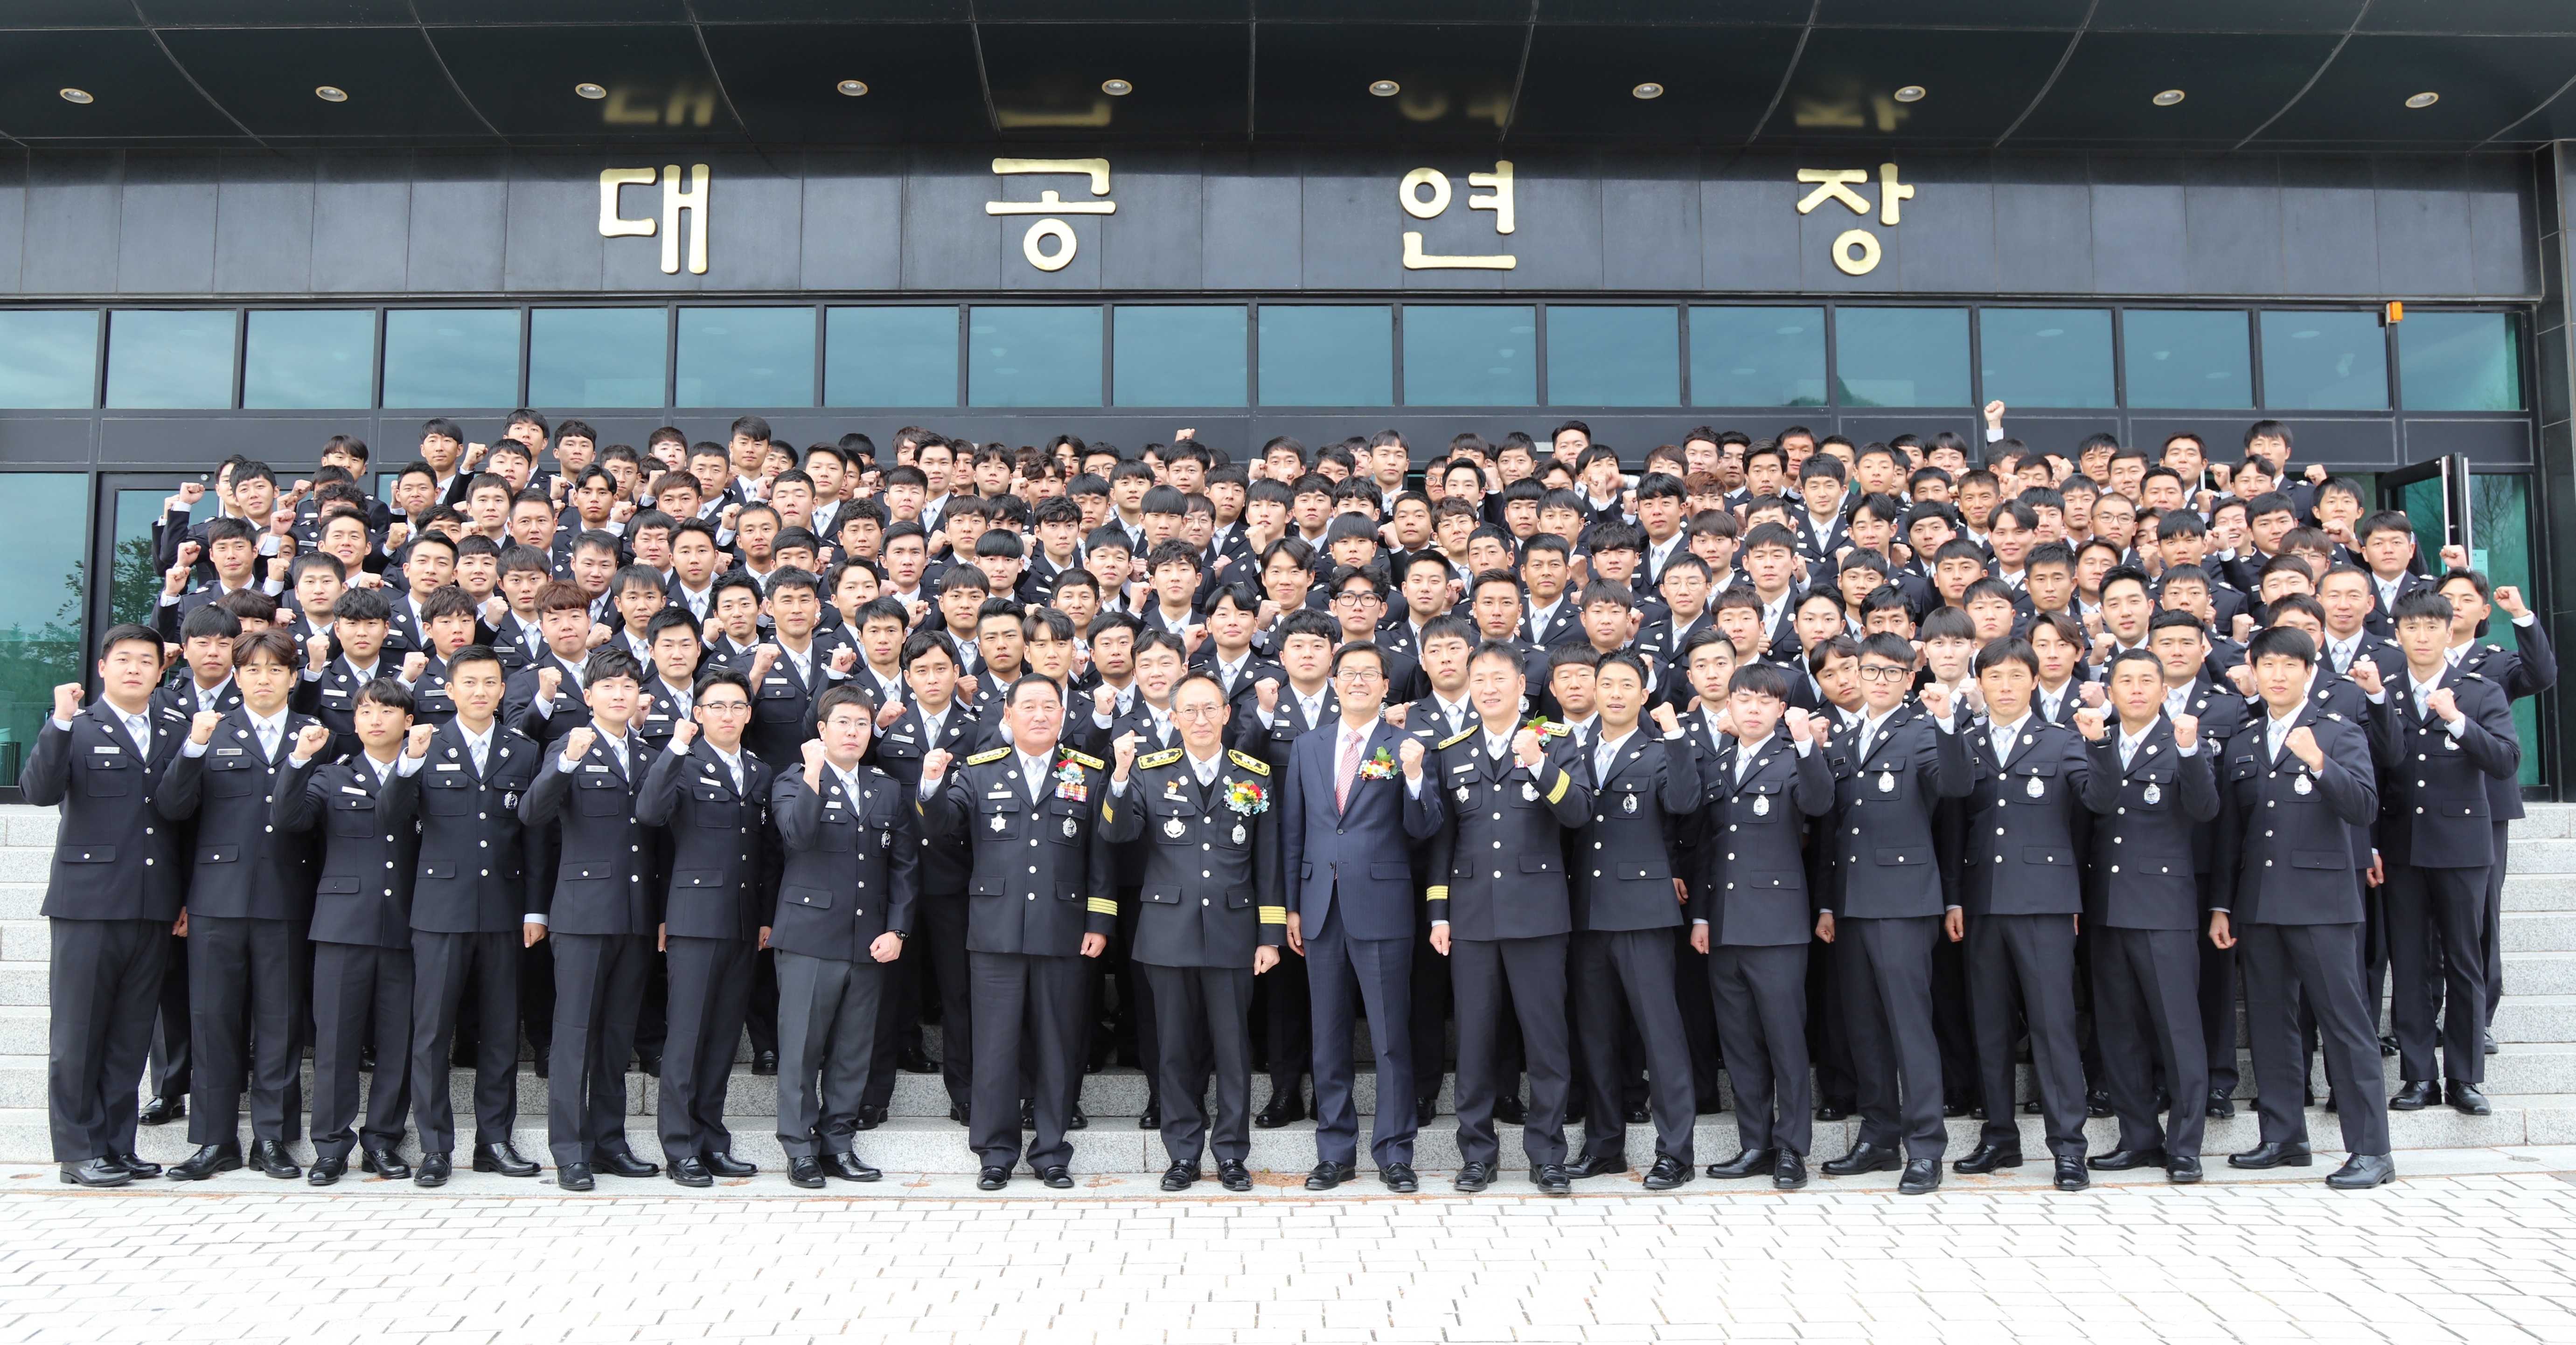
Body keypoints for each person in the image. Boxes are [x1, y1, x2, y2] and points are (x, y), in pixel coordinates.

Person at [2211, 626, 2392, 1188]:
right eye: (2267, 664)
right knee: (2270, 1023)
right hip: (2260, 904)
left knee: (2344, 1025)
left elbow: (2363, 808)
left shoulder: (2336, 733)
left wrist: (2318, 763)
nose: (2278, 674)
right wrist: (2221, 905)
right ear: (2253, 670)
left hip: (2321, 904)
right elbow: (2231, 835)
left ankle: (2371, 1150)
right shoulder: (2243, 742)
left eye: (2290, 664)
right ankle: (2283, 1136)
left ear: (2309, 672)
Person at [918, 677, 1115, 1191]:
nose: (1039, 714)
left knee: (1058, 1045)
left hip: (1063, 929)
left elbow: (1101, 855)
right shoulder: (979, 771)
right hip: (995, 931)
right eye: (1028, 706)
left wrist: (1099, 921)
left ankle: (1051, 1151)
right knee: (995, 1048)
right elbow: (942, 826)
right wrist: (931, 785)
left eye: (1049, 705)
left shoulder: (1088, 772)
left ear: (1063, 714)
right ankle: (995, 1152)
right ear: (1008, 714)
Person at [1096, 672, 1284, 1192]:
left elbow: (1268, 860)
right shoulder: (1148, 771)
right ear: (1174, 718)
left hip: (1233, 930)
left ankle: (1231, 1154)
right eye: (1190, 711)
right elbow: (1116, 832)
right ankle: (1182, 1154)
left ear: (1227, 714)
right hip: (1168, 932)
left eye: (1210, 709)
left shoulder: (1254, 773)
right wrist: (1119, 774)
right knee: (1174, 1049)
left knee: (1233, 1051)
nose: (1200, 719)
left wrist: (1269, 935)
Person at [24, 625, 192, 1187]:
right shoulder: (76, 726)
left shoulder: (175, 728)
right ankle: (78, 1151)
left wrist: (183, 895)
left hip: (152, 902)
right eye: (123, 659)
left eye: (146, 660)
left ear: (161, 672)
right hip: (89, 904)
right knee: (79, 1033)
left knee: (129, 1034)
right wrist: (59, 720)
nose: (134, 668)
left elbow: (180, 818)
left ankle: (117, 1146)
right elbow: (39, 791)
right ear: (102, 668)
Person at [157, 628, 326, 1181]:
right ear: (237, 675)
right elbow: (174, 809)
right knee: (213, 1020)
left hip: (288, 896)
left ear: (293, 677)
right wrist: (193, 748)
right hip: (216, 898)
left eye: (276, 669)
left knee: (280, 1022)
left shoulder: (316, 734)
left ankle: (272, 1138)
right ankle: (215, 1139)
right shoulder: (211, 730)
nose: (263, 679)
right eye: (252, 669)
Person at [1424, 642, 1592, 1195]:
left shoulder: (1554, 740)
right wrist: (1439, 914)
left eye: (1500, 678)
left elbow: (1578, 812)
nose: (1489, 687)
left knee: (1545, 1041)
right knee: (1473, 1043)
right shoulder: (1453, 750)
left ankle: (1547, 1154)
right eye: (1479, 679)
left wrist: (1538, 762)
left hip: (1537, 917)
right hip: (1471, 919)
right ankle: (1477, 1153)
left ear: (1522, 686)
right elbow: (1443, 841)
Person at [1280, 639, 1441, 1192]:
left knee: (1390, 1038)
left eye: (1368, 674)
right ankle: (1335, 1152)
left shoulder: (1405, 746)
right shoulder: (1308, 745)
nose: (1356, 681)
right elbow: (1294, 831)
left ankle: (1395, 1153)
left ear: (1385, 686)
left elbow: (1425, 828)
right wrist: (1292, 906)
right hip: (1319, 909)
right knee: (1327, 1038)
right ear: (1334, 682)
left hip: (1382, 906)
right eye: (1347, 672)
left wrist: (1415, 776)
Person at [1934, 636, 2094, 1191]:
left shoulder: (2062, 740)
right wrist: (1954, 897)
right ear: (1978, 683)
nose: (2004, 686)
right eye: (1994, 676)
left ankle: (2067, 1146)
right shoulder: (1965, 742)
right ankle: (1999, 1136)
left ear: (2033, 680)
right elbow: (1954, 829)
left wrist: (2073, 897)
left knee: (2052, 1027)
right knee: (1990, 1027)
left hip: (2043, 904)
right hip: (1982, 904)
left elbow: (2089, 814)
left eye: (2015, 675)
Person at [1816, 633, 1973, 1195]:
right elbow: (1832, 828)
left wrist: (1948, 723)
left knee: (1909, 1028)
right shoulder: (1842, 738)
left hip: (1903, 902)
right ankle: (1879, 1136)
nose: (1878, 681)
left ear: (1910, 678)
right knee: (1864, 1027)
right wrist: (1828, 901)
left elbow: (1955, 783)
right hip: (1852, 902)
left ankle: (1925, 1147)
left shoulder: (1925, 731)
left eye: (1891, 672)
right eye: (1869, 670)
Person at [519, 647, 663, 1189]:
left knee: (616, 1036)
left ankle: (608, 1142)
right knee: (574, 1034)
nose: (619, 694)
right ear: (588, 695)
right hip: (582, 914)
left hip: (634, 915)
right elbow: (532, 813)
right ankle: (569, 1150)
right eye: (608, 686)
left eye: (628, 685)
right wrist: (566, 764)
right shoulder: (568, 745)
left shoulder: (648, 754)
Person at [403, 643, 545, 1187]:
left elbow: (535, 838)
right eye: (469, 682)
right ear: (449, 689)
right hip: (440, 910)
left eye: (490, 682)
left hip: (505, 910)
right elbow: (394, 819)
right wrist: (408, 763)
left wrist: (535, 908)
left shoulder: (523, 750)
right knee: (432, 1033)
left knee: (501, 1031)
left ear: (503, 690)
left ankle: (494, 1140)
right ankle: (435, 1147)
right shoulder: (425, 744)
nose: (480, 691)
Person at [2075, 649, 2218, 1184]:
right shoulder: (2097, 739)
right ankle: (2137, 1137)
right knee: (2117, 1029)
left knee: (2177, 1030)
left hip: (2163, 908)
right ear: (2109, 691)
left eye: (2145, 681)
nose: (2135, 689)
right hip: (2106, 905)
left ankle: (2184, 1145)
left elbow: (2204, 809)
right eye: (2125, 681)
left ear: (2163, 691)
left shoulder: (2182, 740)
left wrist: (2189, 751)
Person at [273, 679, 424, 1185]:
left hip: (407, 923)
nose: (375, 720)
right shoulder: (331, 775)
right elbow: (288, 817)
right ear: (354, 721)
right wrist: (298, 760)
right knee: (336, 1042)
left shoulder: (422, 771)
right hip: (343, 926)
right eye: (366, 711)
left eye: (387, 711)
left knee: (398, 1042)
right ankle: (331, 1146)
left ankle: (382, 1140)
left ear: (408, 721)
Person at [2373, 589, 2518, 1116]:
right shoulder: (2383, 691)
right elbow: (2373, 770)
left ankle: (2464, 1077)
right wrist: (2371, 844)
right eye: (2411, 627)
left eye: (2432, 626)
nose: (2422, 636)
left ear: (2449, 631)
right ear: (2398, 634)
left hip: (2461, 846)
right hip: (2402, 846)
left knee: (2463, 960)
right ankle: (2418, 1076)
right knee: (2410, 962)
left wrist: (2457, 720)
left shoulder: (2478, 692)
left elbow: (2505, 761)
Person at [1690, 662, 1834, 1191]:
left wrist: (1806, 743)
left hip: (1776, 927)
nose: (1753, 708)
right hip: (1724, 925)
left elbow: (1818, 803)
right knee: (1740, 1043)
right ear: (1728, 705)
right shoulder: (1718, 763)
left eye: (1764, 700)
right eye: (1744, 699)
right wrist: (1701, 915)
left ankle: (1792, 1148)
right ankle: (1755, 1143)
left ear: (1781, 709)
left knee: (1784, 1041)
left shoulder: (1794, 758)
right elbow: (1706, 847)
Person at [768, 685, 917, 1188]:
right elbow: (797, 836)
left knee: (853, 1050)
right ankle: (799, 1148)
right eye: (842, 723)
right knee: (801, 1049)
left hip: (868, 939)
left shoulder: (885, 788)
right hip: (809, 938)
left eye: (861, 723)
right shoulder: (793, 780)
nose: (853, 732)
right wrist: (813, 773)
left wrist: (897, 928)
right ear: (821, 730)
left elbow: (903, 866)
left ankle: (837, 1143)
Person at [1562, 650, 1700, 1190]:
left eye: (1627, 685)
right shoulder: (1573, 751)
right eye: (1606, 684)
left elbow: (1684, 801)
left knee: (1659, 1034)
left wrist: (1675, 735)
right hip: (1586, 913)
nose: (1615, 693)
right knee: (1595, 1037)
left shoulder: (1660, 749)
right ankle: (1604, 1147)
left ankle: (1676, 1152)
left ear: (1644, 695)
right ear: (1593, 691)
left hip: (1642, 913)